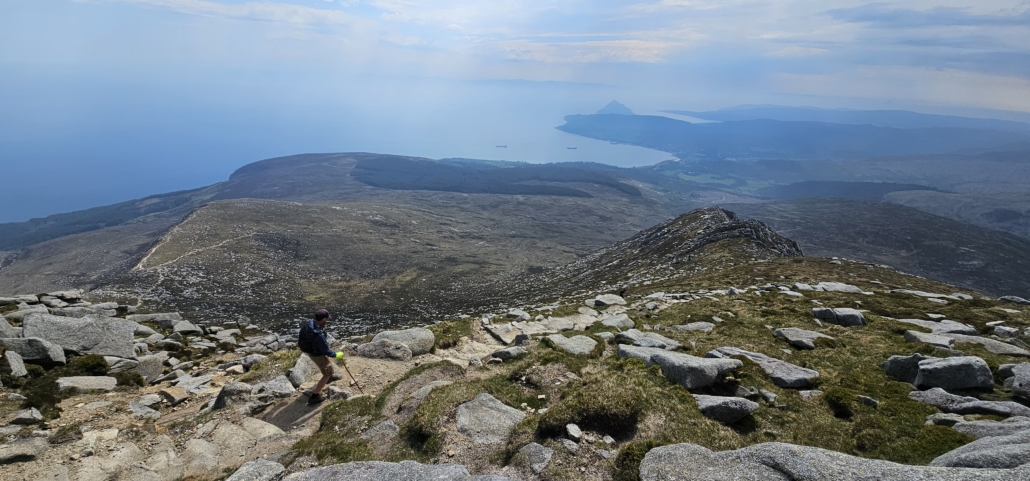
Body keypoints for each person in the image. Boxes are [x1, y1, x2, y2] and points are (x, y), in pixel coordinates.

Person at [297, 309, 343, 404]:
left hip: (310, 351)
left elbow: (301, 335)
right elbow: (326, 351)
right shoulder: (319, 335)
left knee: (328, 366)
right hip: (317, 355)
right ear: (323, 319)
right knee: (327, 372)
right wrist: (337, 355)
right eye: (326, 319)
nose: (327, 320)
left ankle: (329, 378)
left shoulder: (308, 323)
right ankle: (315, 396)